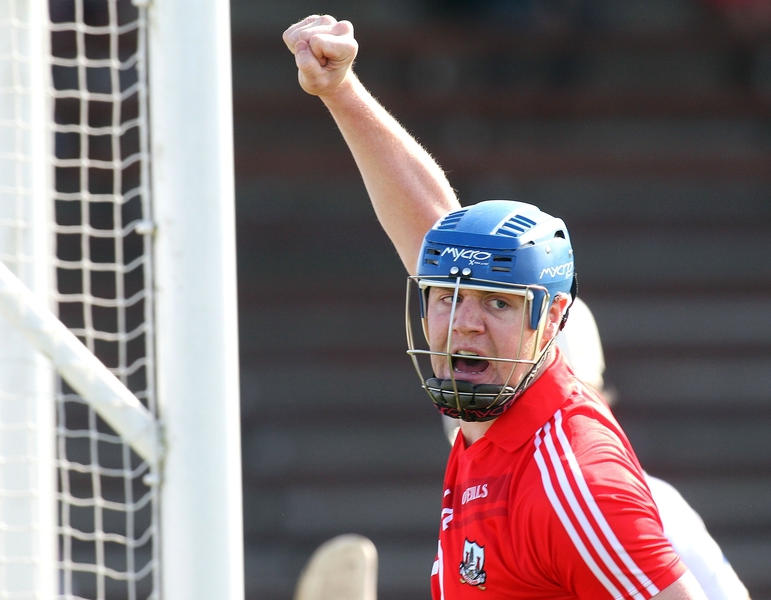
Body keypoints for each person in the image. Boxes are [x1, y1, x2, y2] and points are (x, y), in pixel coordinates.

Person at [283, 15, 707, 599]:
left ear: (552, 319)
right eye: (447, 298)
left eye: (499, 305)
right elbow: (430, 228)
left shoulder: (575, 484)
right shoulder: (490, 427)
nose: (464, 324)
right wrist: (340, 90)